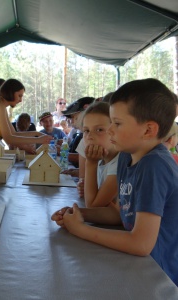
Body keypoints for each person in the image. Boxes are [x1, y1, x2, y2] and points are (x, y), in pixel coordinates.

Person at [51, 78, 178, 286]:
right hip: (138, 267)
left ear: (148, 130)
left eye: (117, 124)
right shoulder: (127, 157)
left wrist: (81, 230)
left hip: (159, 277)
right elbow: (121, 213)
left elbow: (141, 243)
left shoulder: (154, 166)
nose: (110, 130)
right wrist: (79, 214)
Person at [80, 102, 119, 207]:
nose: (90, 136)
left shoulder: (121, 163)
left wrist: (90, 163)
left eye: (99, 130)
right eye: (86, 130)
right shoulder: (101, 160)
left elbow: (92, 207)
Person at [61, 97, 94, 169]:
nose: (72, 121)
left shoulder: (91, 138)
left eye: (74, 117)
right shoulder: (82, 136)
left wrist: (62, 153)